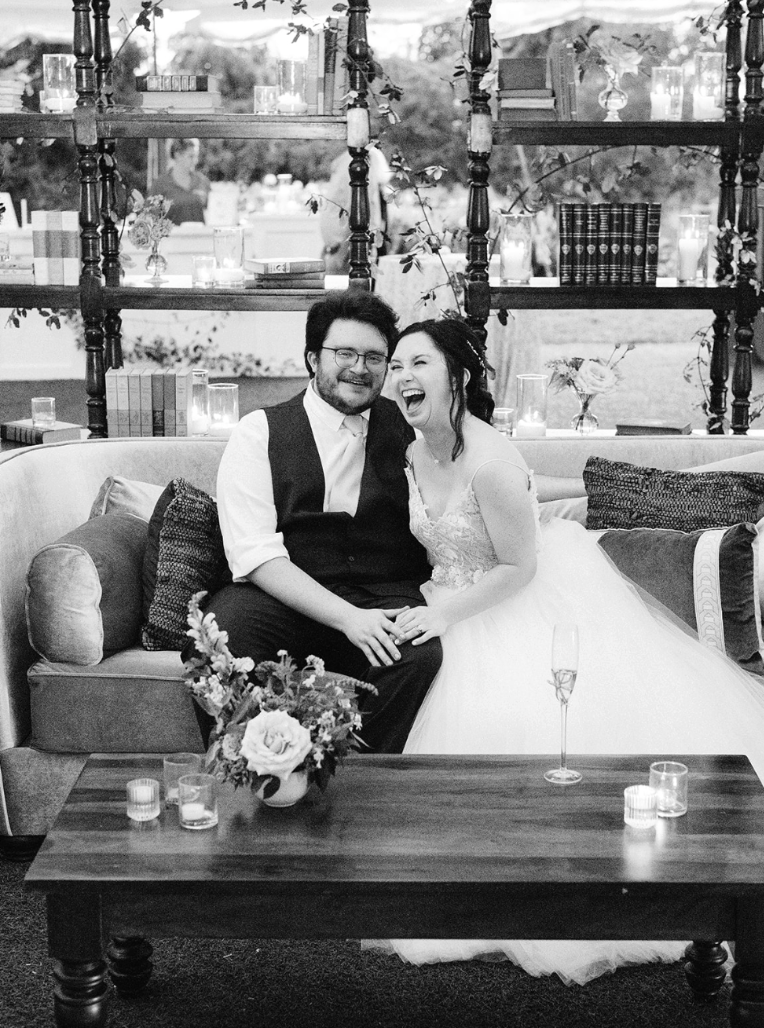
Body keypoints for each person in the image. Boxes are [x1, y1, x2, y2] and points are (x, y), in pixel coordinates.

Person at [361, 316, 764, 983]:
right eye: (395, 365)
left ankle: (555, 883)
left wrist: (440, 616)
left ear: (456, 376)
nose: (401, 376)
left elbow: (516, 568)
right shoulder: (412, 448)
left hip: (513, 601)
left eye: (418, 364)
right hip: (452, 593)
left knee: (516, 721)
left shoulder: (489, 461)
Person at [152, 138, 210, 226]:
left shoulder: (203, 181)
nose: (195, 161)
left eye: (196, 156)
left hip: (200, 237)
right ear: (177, 155)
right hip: (171, 238)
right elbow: (150, 217)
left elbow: (214, 212)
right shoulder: (160, 184)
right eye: (191, 156)